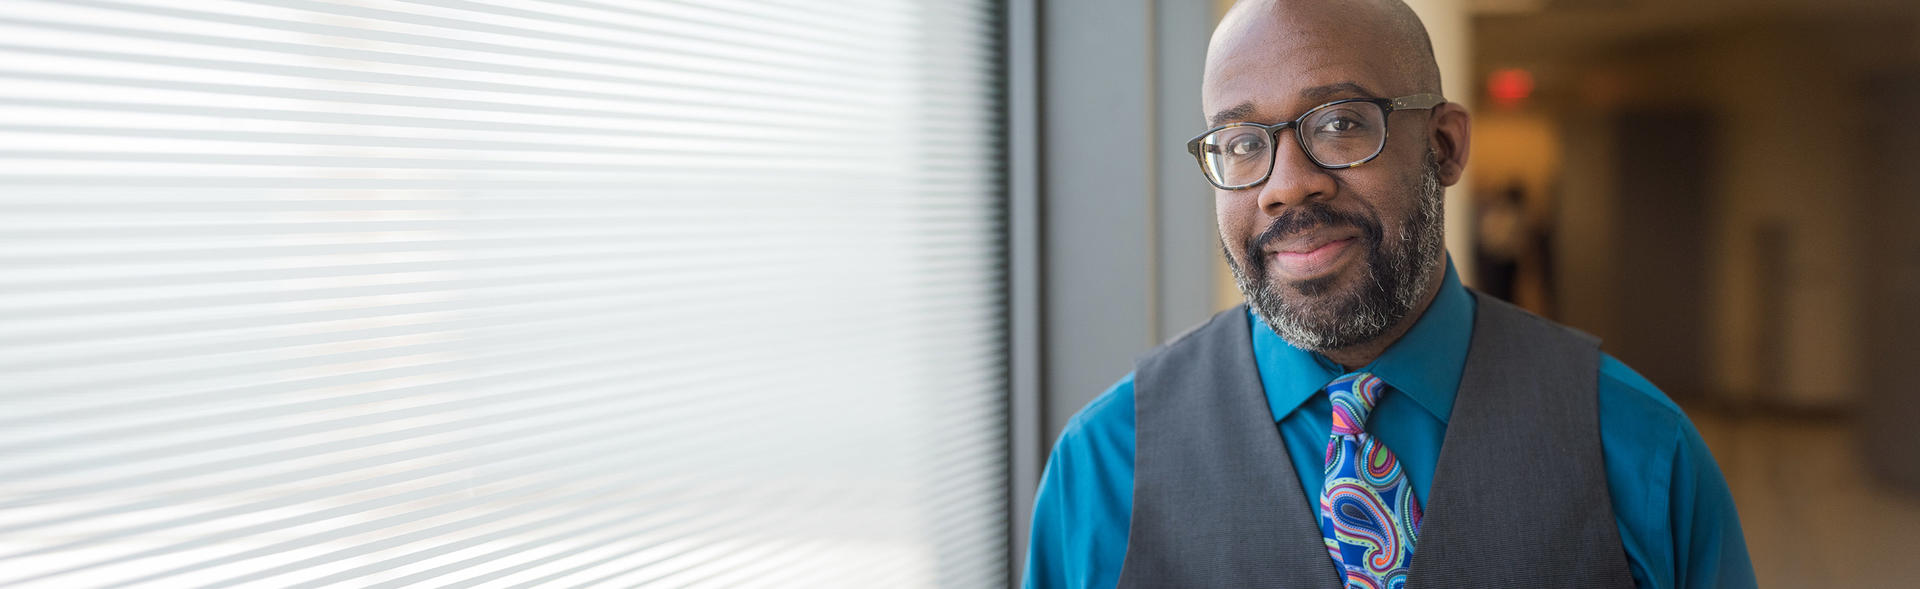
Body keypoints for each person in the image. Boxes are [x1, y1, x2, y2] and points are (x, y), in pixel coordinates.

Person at [1019, 1, 1755, 587]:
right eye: (1242, 141)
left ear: (1444, 146)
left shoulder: (1637, 449)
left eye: (1339, 124)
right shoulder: (1106, 465)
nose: (1286, 184)